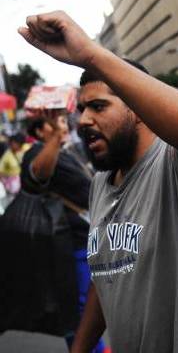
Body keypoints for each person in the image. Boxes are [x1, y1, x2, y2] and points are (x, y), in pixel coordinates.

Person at [17, 11, 178, 352]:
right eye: (82, 109)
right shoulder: (101, 183)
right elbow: (108, 271)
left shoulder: (175, 163)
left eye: (98, 106)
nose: (83, 120)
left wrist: (91, 54)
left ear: (138, 109)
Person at [21, 114, 105, 353]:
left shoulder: (67, 151)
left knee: (92, 302)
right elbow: (37, 173)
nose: (63, 125)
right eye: (54, 123)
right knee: (79, 306)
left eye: (62, 121)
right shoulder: (36, 152)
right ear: (39, 131)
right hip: (69, 245)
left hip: (88, 239)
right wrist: (57, 138)